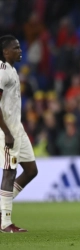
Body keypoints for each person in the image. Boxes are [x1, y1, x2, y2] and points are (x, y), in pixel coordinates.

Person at [0, 35, 38, 233]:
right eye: (15, 48)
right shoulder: (2, 71)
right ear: (5, 52)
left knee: (31, 170)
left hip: (18, 128)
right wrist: (6, 132)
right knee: (9, 171)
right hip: (6, 130)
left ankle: (1, 210)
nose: (20, 50)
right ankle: (5, 222)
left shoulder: (12, 70)